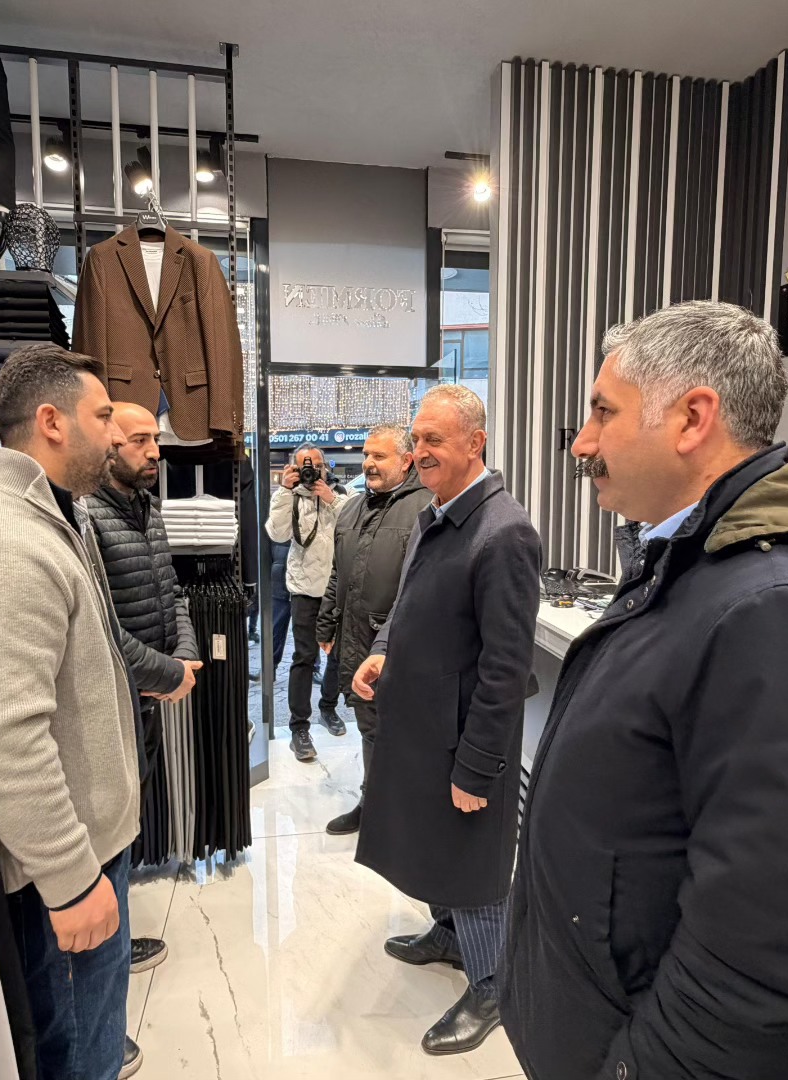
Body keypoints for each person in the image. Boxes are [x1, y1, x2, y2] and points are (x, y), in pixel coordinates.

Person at [501, 301, 788, 1080]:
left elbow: (769, 965)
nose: (582, 442)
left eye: (603, 412)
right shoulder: (700, 569)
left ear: (693, 418)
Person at [0, 343, 146, 1079]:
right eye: (102, 416)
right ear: (52, 421)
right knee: (77, 1057)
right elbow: (8, 739)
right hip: (63, 871)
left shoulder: (47, 519)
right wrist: (71, 878)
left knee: (84, 1041)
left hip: (79, 851)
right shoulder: (7, 545)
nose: (115, 433)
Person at [351, 385, 541, 1055]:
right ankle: (452, 936)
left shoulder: (504, 531)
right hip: (421, 728)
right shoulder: (435, 516)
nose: (420, 451)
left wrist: (477, 767)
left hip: (462, 737)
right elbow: (407, 605)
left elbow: (505, 668)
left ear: (475, 443)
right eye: (416, 439)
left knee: (472, 858)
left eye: (434, 438)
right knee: (433, 845)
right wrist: (381, 650)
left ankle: (492, 984)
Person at [86, 401, 203, 977]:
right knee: (107, 824)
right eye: (140, 441)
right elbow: (102, 630)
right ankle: (104, 951)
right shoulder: (87, 518)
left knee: (130, 811)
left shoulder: (147, 508)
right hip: (113, 702)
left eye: (155, 439)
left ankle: (114, 936)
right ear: (107, 445)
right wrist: (168, 674)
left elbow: (172, 591)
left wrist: (183, 656)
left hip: (146, 698)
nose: (155, 452)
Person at [317, 423, 432, 836]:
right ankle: (374, 804)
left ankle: (404, 811)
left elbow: (421, 586)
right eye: (367, 455)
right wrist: (326, 622)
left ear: (406, 461)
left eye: (379, 456)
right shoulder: (352, 508)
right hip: (355, 637)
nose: (368, 463)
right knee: (368, 723)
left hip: (400, 645)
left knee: (402, 730)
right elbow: (338, 572)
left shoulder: (426, 507)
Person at [265, 445, 349, 762]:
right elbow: (277, 534)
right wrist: (285, 492)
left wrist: (330, 498)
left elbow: (355, 527)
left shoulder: (341, 495)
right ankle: (299, 727)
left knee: (337, 655)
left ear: (326, 466)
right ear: (294, 469)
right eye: (304, 467)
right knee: (304, 657)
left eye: (316, 466)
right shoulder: (291, 497)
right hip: (304, 589)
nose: (311, 472)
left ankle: (328, 707)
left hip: (337, 589)